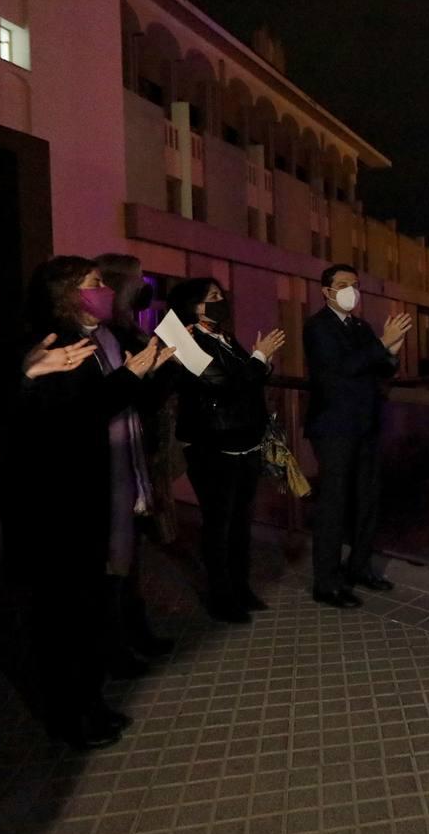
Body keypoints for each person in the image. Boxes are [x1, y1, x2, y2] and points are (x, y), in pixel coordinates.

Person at [3, 256, 174, 752]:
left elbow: (109, 402)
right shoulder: (51, 342)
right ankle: (69, 716)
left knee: (86, 608)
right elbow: (71, 415)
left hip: (89, 494)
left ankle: (91, 703)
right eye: (94, 283)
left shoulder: (100, 338)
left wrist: (145, 373)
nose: (104, 291)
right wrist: (129, 378)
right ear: (66, 292)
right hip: (56, 504)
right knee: (60, 618)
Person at [168, 278, 285, 623]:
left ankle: (241, 587)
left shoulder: (225, 337)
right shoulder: (183, 339)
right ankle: (221, 596)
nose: (221, 301)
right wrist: (260, 357)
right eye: (212, 297)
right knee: (218, 525)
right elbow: (223, 382)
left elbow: (247, 379)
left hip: (244, 441)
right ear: (192, 305)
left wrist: (261, 362)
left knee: (240, 522)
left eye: (221, 295)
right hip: (211, 445)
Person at [303, 264, 411, 609]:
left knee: (367, 500)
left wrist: (391, 350)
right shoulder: (317, 327)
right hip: (333, 428)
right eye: (343, 284)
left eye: (355, 284)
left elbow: (382, 367)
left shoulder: (361, 326)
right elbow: (340, 370)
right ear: (326, 291)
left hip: (366, 425)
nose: (351, 290)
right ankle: (327, 582)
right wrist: (381, 344)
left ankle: (359, 567)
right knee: (334, 505)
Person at [94, 254, 176, 672]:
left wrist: (162, 368)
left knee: (131, 555)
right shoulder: (98, 338)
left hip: (136, 452)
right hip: (111, 460)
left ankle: (134, 631)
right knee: (114, 558)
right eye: (134, 281)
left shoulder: (126, 332)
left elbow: (147, 395)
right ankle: (116, 642)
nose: (143, 288)